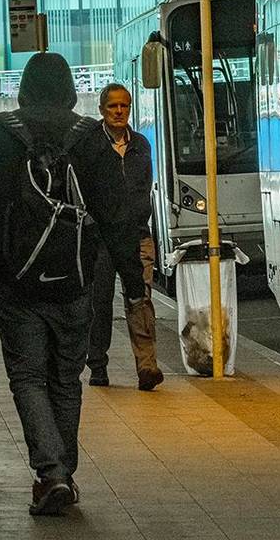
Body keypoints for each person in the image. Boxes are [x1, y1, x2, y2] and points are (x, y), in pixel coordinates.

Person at [0, 52, 104, 516]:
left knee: (27, 377)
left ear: (23, 89)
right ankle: (63, 472)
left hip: (15, 284)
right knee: (66, 377)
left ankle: (52, 474)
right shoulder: (90, 138)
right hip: (76, 283)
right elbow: (115, 211)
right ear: (69, 91)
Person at [85, 83, 163, 391]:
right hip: (101, 239)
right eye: (113, 106)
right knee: (99, 302)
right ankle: (98, 365)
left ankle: (147, 366)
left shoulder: (141, 144)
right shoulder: (90, 145)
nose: (119, 111)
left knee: (140, 300)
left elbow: (144, 187)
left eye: (124, 106)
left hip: (135, 236)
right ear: (102, 110)